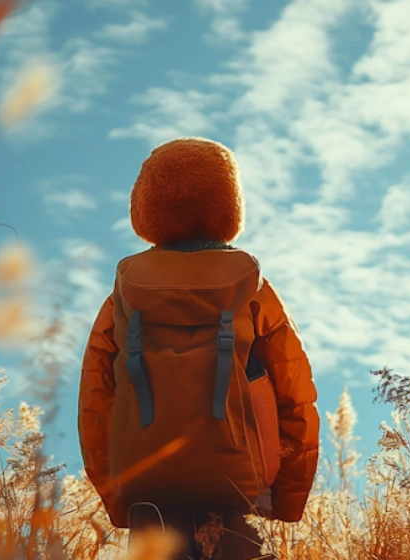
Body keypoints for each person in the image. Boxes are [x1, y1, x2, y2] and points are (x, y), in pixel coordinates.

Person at [78, 137, 320, 559]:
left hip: (148, 492)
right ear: (229, 207)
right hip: (238, 488)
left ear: (144, 208)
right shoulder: (253, 288)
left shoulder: (122, 297)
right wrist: (286, 497)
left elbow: (95, 404)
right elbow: (294, 393)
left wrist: (119, 499)